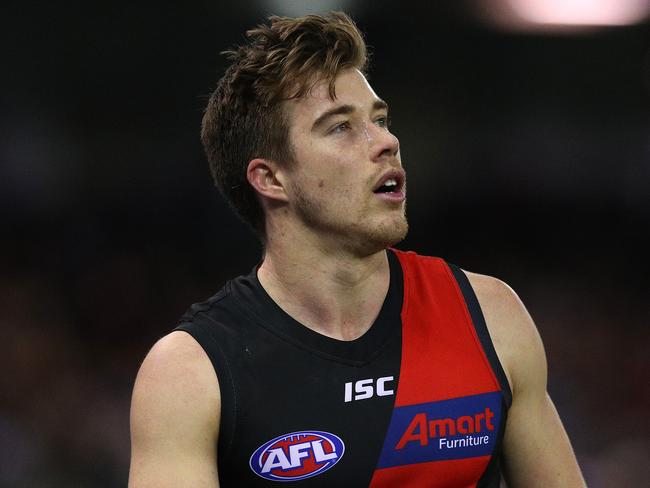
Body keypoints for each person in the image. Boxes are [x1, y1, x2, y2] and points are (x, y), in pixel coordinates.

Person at [128, 12, 586, 487]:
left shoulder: (490, 317)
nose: (387, 141)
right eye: (341, 127)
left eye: (380, 119)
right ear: (270, 178)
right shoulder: (190, 372)